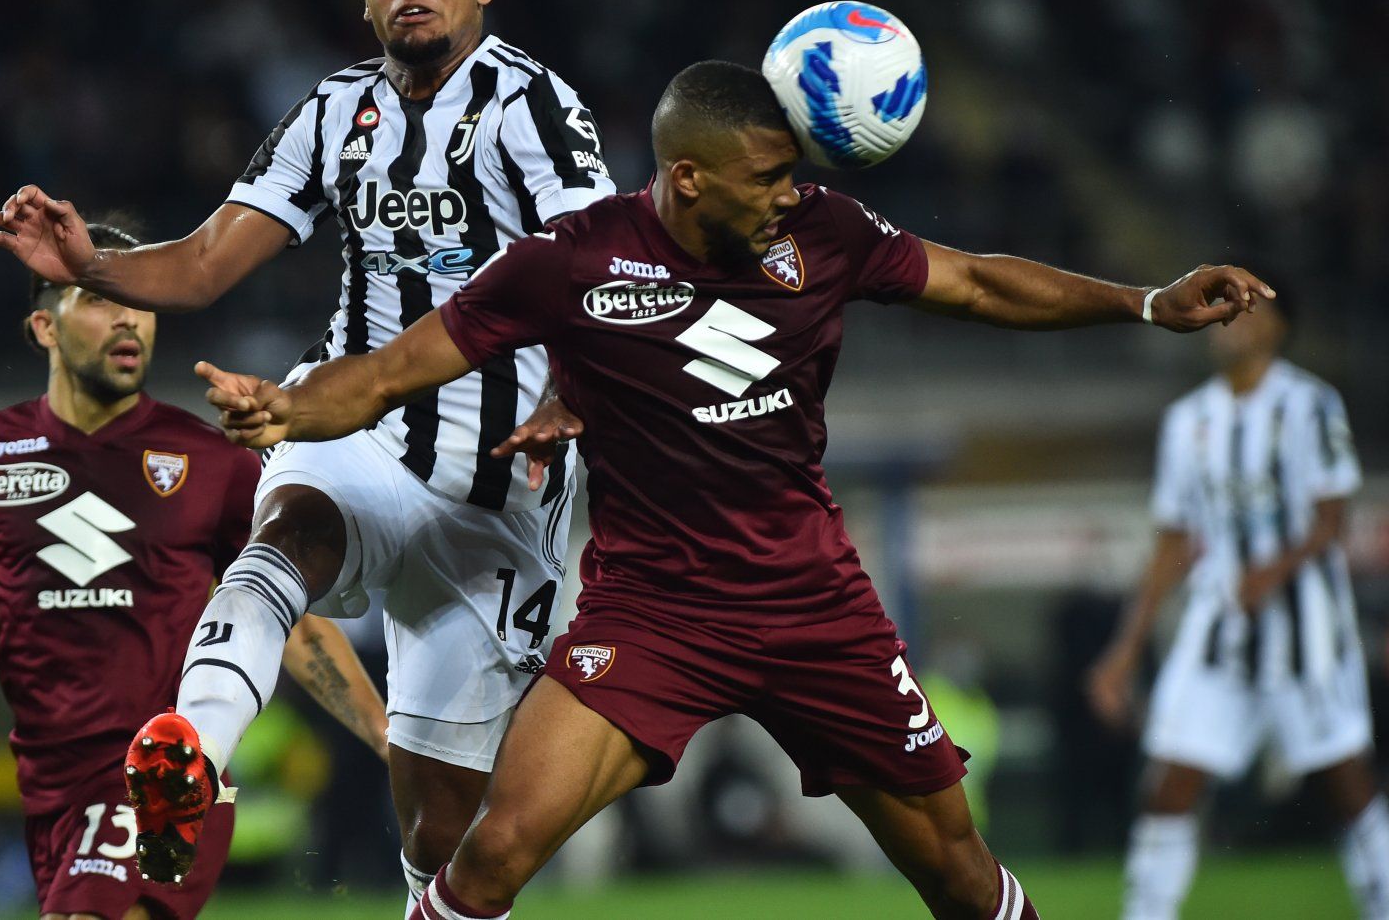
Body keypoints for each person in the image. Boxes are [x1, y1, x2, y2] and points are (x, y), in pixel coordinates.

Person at [192, 60, 1274, 920]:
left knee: (954, 871)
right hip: (653, 612)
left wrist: (1144, 302)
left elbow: (980, 279)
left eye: (795, 173)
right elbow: (386, 375)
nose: (791, 194)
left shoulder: (825, 234)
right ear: (689, 175)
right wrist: (286, 409)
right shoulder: (566, 260)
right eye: (769, 178)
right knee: (491, 854)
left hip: (814, 607)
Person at [0, 0, 614, 909]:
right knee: (291, 529)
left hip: (503, 469)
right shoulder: (334, 111)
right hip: (350, 410)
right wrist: (88, 263)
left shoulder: (531, 106)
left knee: (440, 828)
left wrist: (575, 393)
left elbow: (595, 261)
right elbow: (203, 261)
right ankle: (189, 747)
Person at [0, 221, 389, 920]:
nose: (127, 318)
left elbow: (286, 625)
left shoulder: (212, 464)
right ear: (43, 328)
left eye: (141, 301)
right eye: (97, 298)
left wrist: (388, 737)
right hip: (48, 790)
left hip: (164, 779)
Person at [1087, 284, 1389, 920]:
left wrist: (1271, 571)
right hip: (1217, 631)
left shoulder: (1310, 404)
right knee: (1168, 787)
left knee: (1349, 790)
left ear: (1280, 326)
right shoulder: (1188, 420)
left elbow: (1333, 517)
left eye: (1249, 313)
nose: (1231, 327)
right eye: (1223, 316)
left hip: (1309, 634)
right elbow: (1171, 539)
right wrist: (1126, 647)